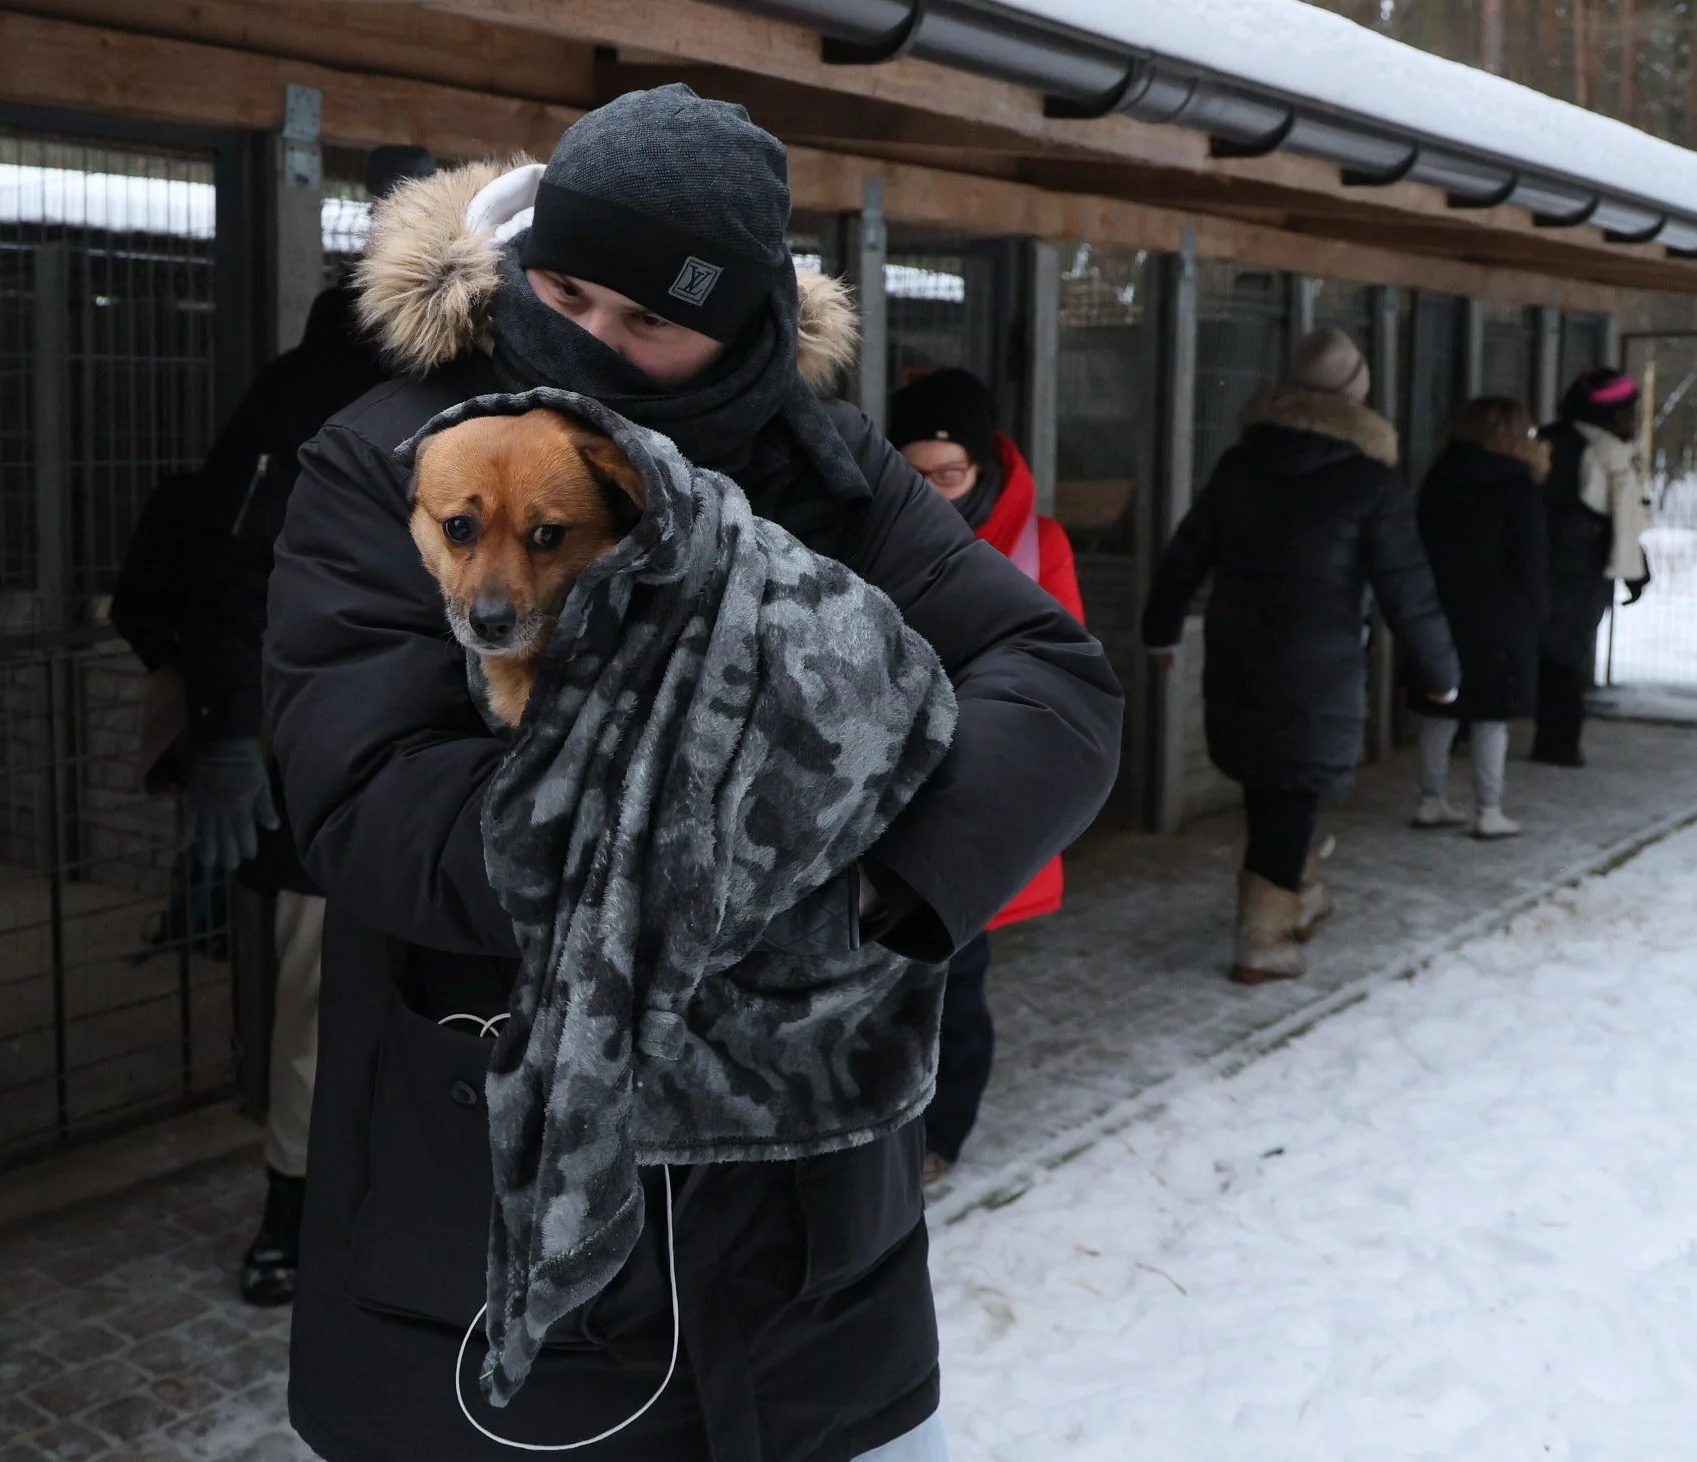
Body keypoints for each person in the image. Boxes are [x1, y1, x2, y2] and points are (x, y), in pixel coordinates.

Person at [266, 87, 1122, 1461]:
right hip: (495, 1215)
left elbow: (1054, 682)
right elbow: (366, 794)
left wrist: (875, 894)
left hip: (812, 1256)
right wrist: (686, 871)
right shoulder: (405, 456)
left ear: (744, 325)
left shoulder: (826, 465)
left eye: (648, 321)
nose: (590, 341)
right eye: (565, 292)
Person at [111, 145, 437, 1308]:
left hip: (464, 760)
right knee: (318, 999)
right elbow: (231, 567)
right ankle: (296, 1200)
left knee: (448, 997)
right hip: (329, 756)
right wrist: (224, 731)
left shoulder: (509, 379)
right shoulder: (310, 387)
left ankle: (419, 1194)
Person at [1142, 327, 1459, 986]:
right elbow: (1408, 588)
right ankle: (1263, 940)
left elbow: (1184, 555)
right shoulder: (1370, 482)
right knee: (1288, 793)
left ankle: (1300, 892)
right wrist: (1441, 673)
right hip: (1318, 668)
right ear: (1357, 396)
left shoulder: (1240, 466)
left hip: (1240, 655)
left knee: (1274, 788)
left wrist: (1160, 632)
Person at [884, 368, 1083, 1185]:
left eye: (951, 474)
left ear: (983, 467)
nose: (933, 492)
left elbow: (1062, 679)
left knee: (954, 974)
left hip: (973, 793)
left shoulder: (1037, 546)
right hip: (883, 794)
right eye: (916, 473)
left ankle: (941, 1130)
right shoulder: (869, 530)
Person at [1413, 397, 1552, 839]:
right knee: (1491, 714)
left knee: (1439, 708)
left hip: (1439, 610)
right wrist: (1538, 613)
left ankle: (1430, 800)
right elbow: (1530, 559)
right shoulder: (1517, 486)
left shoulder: (1438, 478)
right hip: (1500, 617)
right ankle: (1489, 810)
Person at [1532, 366, 1651, 767]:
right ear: (1612, 414)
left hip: (1552, 565)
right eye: (1632, 412)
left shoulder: (1554, 440)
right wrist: (1633, 569)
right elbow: (1620, 519)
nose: (1636, 421)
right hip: (1577, 569)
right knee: (1566, 656)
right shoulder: (1601, 453)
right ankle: (1558, 744)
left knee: (1549, 651)